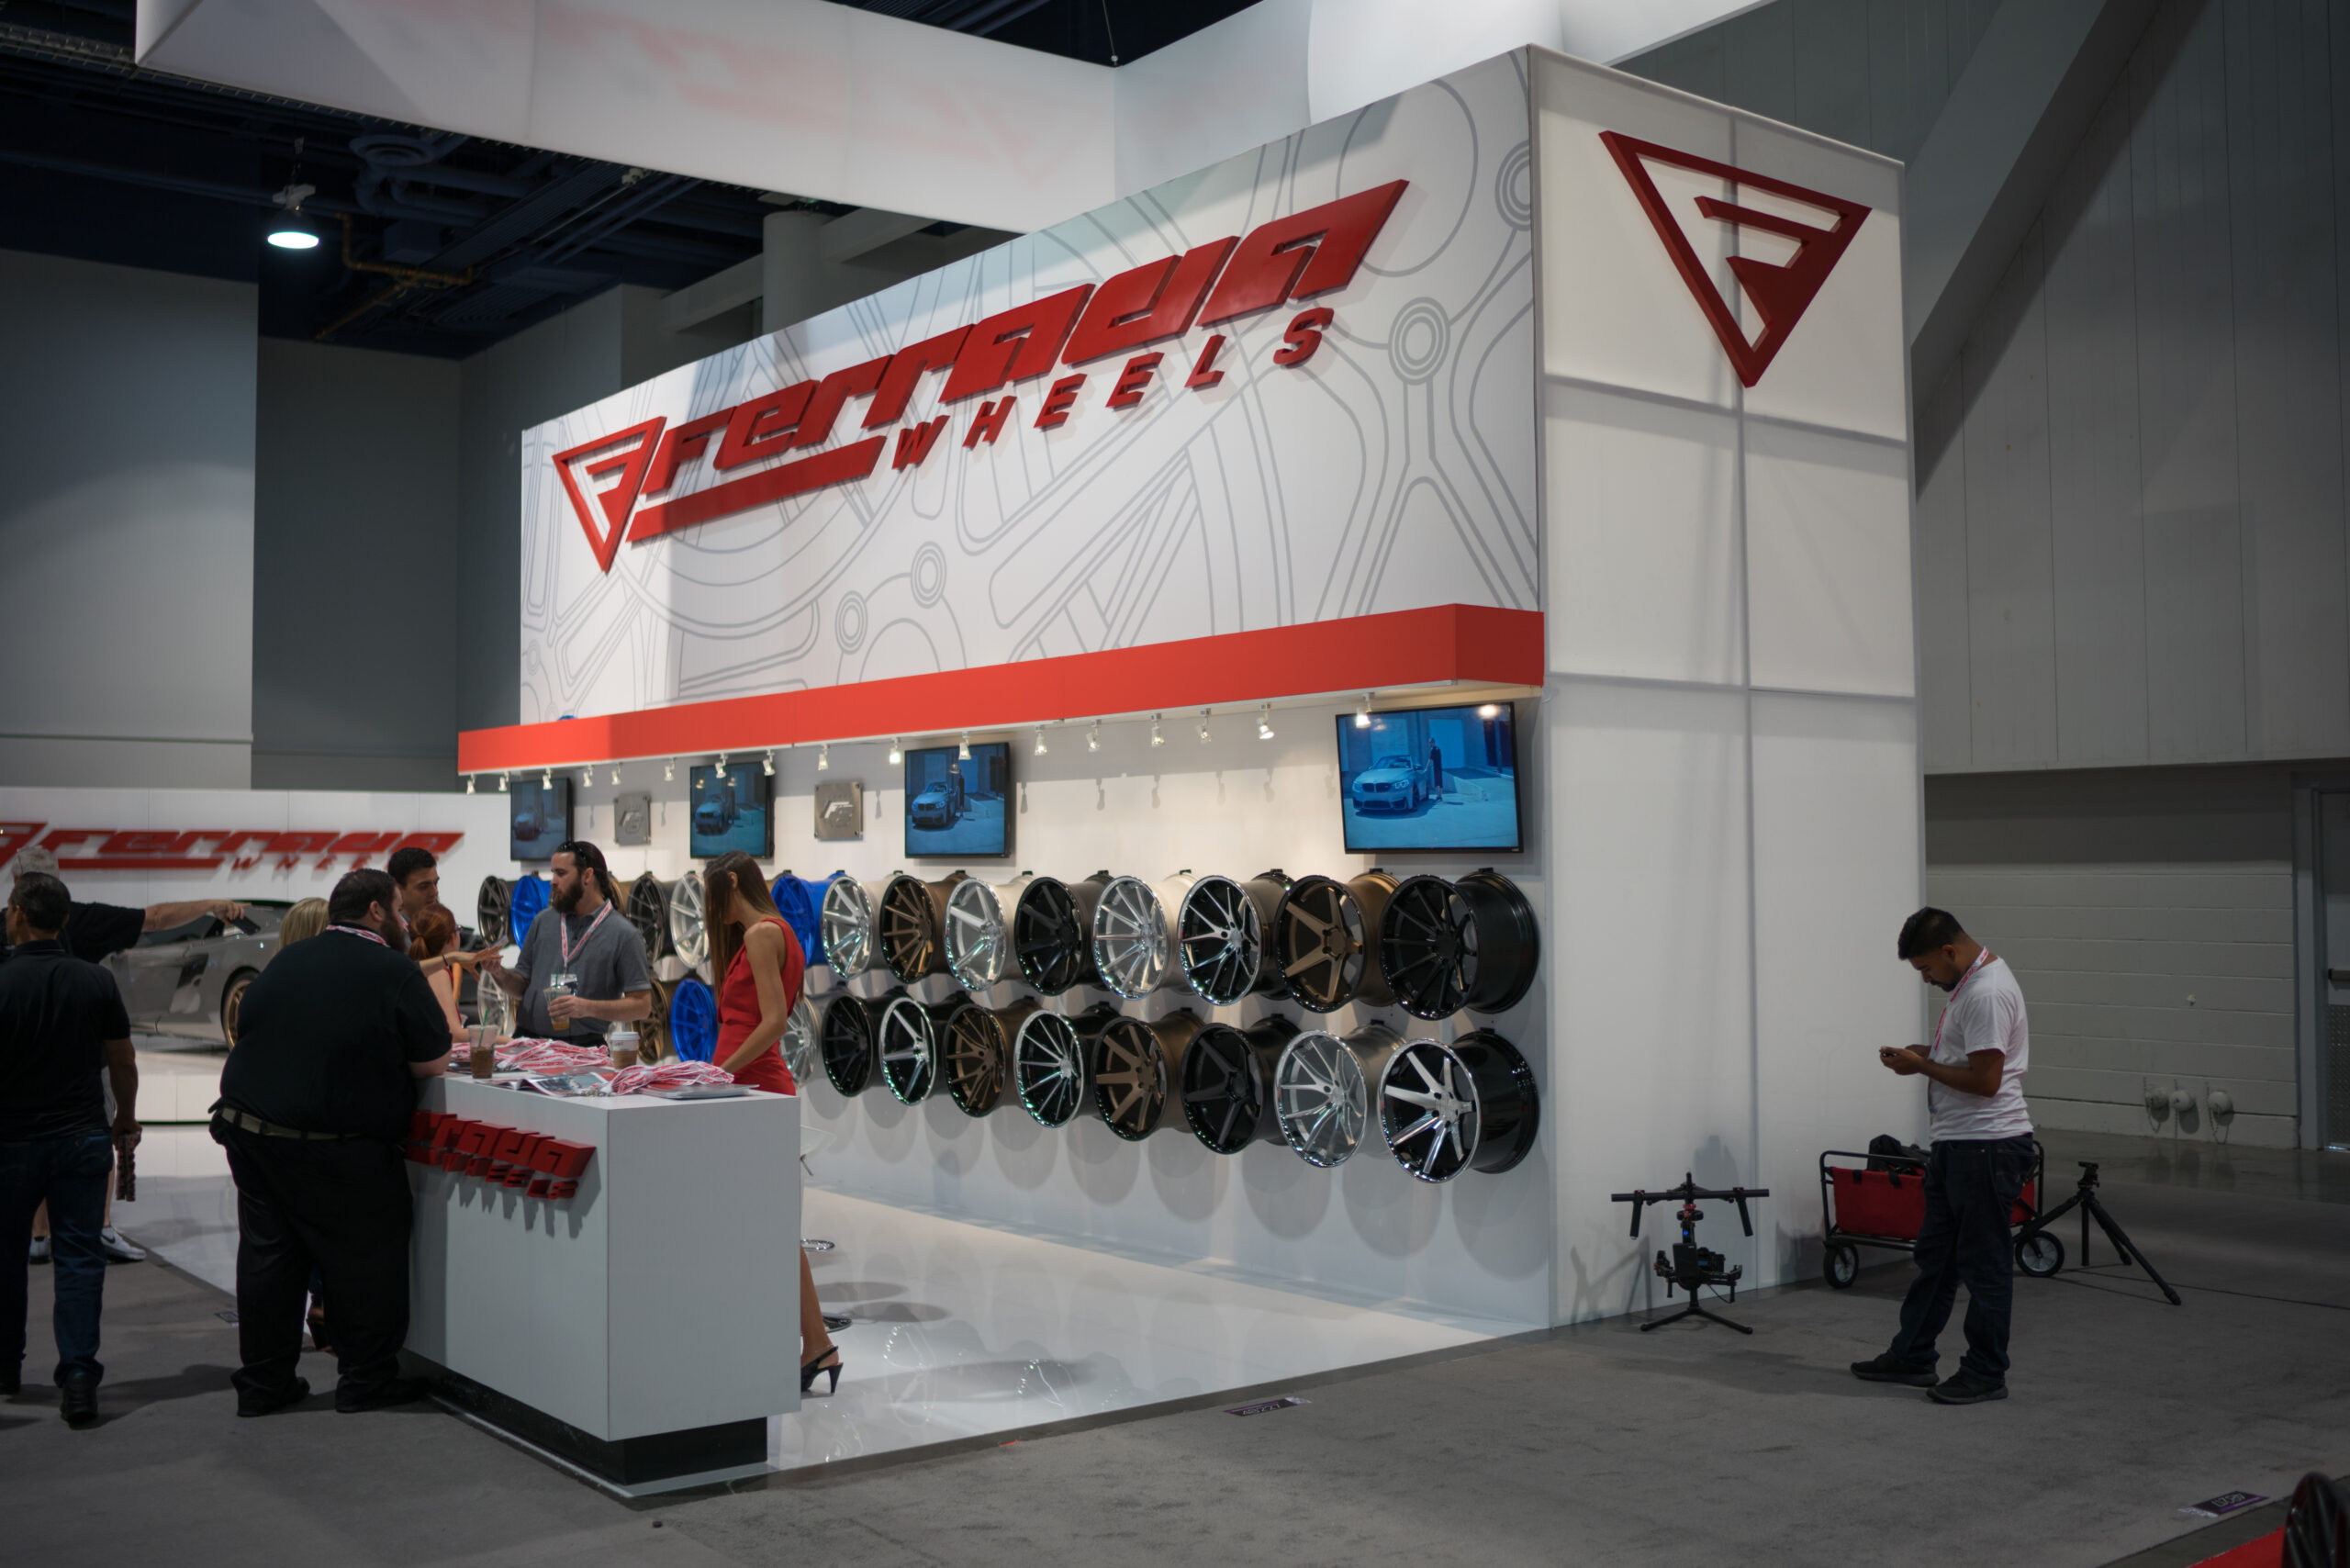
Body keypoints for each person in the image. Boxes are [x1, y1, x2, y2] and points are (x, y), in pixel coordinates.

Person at [212, 868, 449, 1416]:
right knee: (367, 1257)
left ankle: (264, 1384)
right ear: (376, 912)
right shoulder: (393, 970)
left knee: (270, 1260)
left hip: (250, 1132)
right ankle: (367, 1380)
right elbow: (433, 1060)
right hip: (335, 1143)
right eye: (399, 910)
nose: (405, 922)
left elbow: (251, 1029)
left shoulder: (287, 960)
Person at [1852, 907, 2035, 1406]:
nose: (1926, 978)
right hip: (1960, 1144)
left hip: (1987, 1145)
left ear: (1949, 951)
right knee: (1936, 1258)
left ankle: (1985, 1372)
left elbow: (1987, 1081)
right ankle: (1912, 1354)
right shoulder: (1969, 986)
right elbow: (1971, 1061)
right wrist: (1926, 1055)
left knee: (1984, 1265)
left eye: (1927, 968)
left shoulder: (1986, 992)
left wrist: (1923, 1066)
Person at [0, 871, 139, 1426]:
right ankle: (79, 1379)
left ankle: (6, 1367)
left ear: (17, 914)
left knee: (5, 1255)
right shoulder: (94, 980)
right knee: (80, 1258)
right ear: (64, 920)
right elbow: (122, 1059)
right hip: (82, 1137)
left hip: (10, 1142)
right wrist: (124, 1117)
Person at [703, 852, 839, 1395]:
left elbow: (776, 1022)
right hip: (750, 1091)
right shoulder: (773, 933)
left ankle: (812, 1342)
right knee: (771, 1227)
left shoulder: (763, 934)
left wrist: (718, 1073)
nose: (711, 907)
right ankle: (816, 1344)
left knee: (768, 1226)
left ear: (733, 882)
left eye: (713, 893)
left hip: (753, 1091)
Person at [477, 840, 650, 1047]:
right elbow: (521, 988)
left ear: (587, 876)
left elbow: (642, 1006)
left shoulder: (624, 935)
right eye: (553, 873)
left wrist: (586, 1007)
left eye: (561, 873)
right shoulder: (543, 921)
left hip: (582, 1049)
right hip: (528, 1044)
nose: (553, 881)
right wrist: (499, 973)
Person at [408, 903, 471, 1043]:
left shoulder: (420, 969)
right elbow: (455, 1034)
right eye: (458, 929)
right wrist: (506, 1040)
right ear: (451, 938)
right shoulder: (438, 973)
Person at [387, 846, 440, 924]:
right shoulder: (387, 930)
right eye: (424, 887)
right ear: (398, 890)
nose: (434, 892)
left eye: (435, 883)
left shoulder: (442, 926)